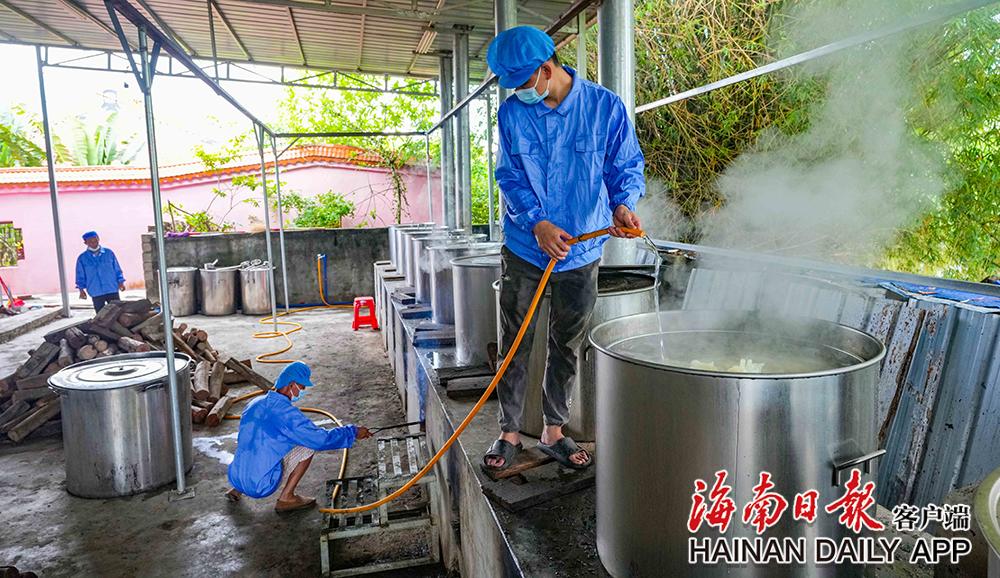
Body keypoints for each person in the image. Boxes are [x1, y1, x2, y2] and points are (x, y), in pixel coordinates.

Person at [483, 26, 645, 471]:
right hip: (526, 246)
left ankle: (553, 429)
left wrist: (624, 204)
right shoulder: (513, 113)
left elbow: (625, 166)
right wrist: (537, 223)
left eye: (521, 81)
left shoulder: (604, 107)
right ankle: (509, 432)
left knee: (566, 343)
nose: (517, 91)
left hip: (581, 250)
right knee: (515, 341)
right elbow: (509, 175)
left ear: (546, 68)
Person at [226, 362, 372, 512]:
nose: (302, 392)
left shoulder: (254, 403)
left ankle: (238, 488)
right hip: (261, 485)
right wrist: (353, 432)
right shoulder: (286, 413)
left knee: (254, 442)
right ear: (291, 385)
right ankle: (286, 498)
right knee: (307, 446)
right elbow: (320, 440)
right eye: (301, 388)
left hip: (235, 475)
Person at [75, 231, 125, 313]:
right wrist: (81, 290)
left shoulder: (109, 253)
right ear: (85, 243)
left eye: (95, 240)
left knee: (117, 312)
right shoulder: (82, 258)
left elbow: (117, 269)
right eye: (90, 241)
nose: (93, 243)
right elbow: (80, 275)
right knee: (101, 316)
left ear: (98, 239)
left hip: (111, 288)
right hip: (96, 291)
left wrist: (121, 282)